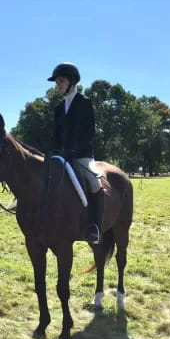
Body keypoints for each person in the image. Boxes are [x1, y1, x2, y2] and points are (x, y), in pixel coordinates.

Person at [47, 62, 104, 244]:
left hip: (81, 155)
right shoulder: (58, 109)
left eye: (61, 81)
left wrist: (73, 151)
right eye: (56, 82)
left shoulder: (84, 103)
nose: (58, 85)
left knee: (94, 183)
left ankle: (95, 225)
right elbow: (55, 135)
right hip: (61, 156)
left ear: (72, 81)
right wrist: (54, 152)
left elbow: (89, 131)